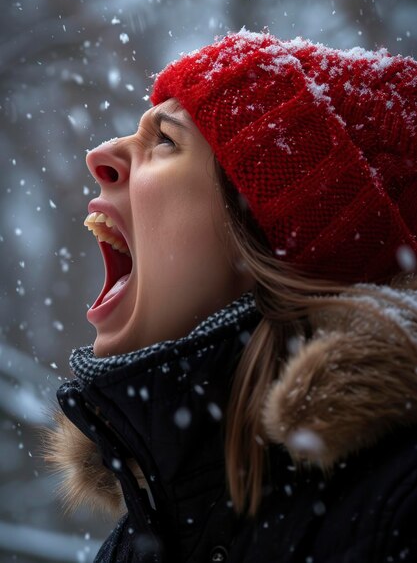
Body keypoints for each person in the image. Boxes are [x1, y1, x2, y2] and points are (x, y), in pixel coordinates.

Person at [46, 29, 417, 562]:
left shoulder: (397, 513)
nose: (101, 154)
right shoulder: (136, 543)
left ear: (268, 241)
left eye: (166, 140)